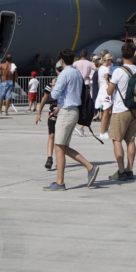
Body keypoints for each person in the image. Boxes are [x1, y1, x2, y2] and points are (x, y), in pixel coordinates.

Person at [44, 49, 99, 191]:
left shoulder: (64, 74)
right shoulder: (76, 73)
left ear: (62, 60)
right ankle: (89, 167)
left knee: (59, 146)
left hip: (66, 111)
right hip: (74, 110)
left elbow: (55, 93)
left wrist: (54, 86)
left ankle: (60, 182)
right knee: (63, 146)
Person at [107, 43, 136, 181]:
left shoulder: (119, 71)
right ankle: (129, 170)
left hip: (121, 109)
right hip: (135, 109)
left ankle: (121, 172)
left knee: (117, 140)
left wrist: (109, 84)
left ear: (121, 55)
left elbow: (109, 91)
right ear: (134, 54)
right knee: (131, 140)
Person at [36, 75, 59, 170]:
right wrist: (39, 113)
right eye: (58, 70)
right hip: (53, 113)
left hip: (64, 112)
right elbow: (44, 98)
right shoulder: (51, 83)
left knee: (62, 138)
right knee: (51, 135)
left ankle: (60, 158)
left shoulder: (67, 82)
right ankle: (49, 158)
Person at [96, 53, 114, 138]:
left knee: (109, 111)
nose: (112, 62)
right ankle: (102, 132)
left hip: (104, 90)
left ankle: (106, 130)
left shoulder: (101, 68)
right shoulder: (105, 69)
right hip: (106, 91)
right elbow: (108, 81)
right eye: (111, 60)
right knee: (106, 112)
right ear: (108, 60)